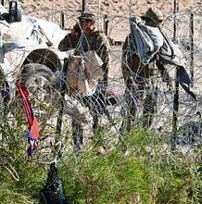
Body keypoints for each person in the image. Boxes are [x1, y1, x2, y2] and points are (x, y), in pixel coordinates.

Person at [57, 11, 111, 147]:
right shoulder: (79, 36)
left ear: (91, 23)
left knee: (95, 112)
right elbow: (61, 46)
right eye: (80, 21)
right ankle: (77, 143)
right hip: (78, 79)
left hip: (93, 79)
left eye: (84, 21)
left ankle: (98, 141)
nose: (81, 24)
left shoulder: (99, 37)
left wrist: (104, 83)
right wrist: (72, 34)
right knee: (77, 112)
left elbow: (105, 61)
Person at [122, 8, 168, 130]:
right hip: (137, 80)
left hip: (152, 80)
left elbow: (161, 59)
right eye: (157, 21)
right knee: (131, 114)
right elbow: (126, 59)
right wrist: (129, 78)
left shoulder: (157, 38)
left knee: (150, 113)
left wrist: (166, 76)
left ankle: (144, 138)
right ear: (148, 21)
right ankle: (126, 141)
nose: (158, 25)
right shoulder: (134, 37)